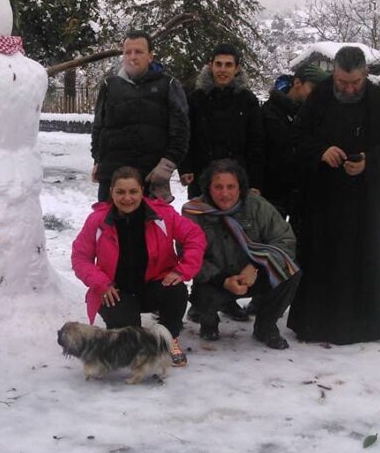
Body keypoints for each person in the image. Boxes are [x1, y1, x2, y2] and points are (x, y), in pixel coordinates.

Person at [287, 46, 380, 345]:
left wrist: (369, 161)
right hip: (324, 196)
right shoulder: (320, 96)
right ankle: (316, 324)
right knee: (321, 258)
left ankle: (363, 325)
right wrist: (321, 152)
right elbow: (298, 137)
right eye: (342, 82)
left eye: (354, 83)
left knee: (364, 259)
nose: (348, 89)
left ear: (365, 74)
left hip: (366, 197)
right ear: (334, 74)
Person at [71, 166, 206, 366]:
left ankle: (168, 339)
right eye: (120, 192)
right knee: (129, 337)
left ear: (142, 191)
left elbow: (195, 236)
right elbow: (80, 258)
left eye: (133, 191)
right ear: (111, 192)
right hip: (116, 291)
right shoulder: (97, 221)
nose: (127, 198)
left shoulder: (162, 215)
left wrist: (182, 270)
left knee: (176, 291)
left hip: (153, 285)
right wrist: (101, 283)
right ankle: (134, 342)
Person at [183, 159, 299, 349]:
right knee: (203, 295)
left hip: (253, 274)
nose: (225, 193)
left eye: (231, 186)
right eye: (218, 187)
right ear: (208, 188)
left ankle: (265, 326)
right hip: (215, 279)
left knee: (290, 272)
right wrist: (222, 280)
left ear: (241, 187)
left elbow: (285, 240)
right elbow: (189, 257)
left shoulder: (258, 206)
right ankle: (208, 322)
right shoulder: (193, 212)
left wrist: (256, 266)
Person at [90, 30, 189, 203]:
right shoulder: (109, 85)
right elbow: (98, 126)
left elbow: (181, 130)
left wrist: (167, 165)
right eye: (128, 52)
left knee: (150, 229)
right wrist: (97, 159)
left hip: (151, 177)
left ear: (150, 56)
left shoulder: (168, 84)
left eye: (139, 52)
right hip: (112, 177)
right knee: (110, 228)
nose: (132, 57)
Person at [180, 43, 264, 199]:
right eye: (218, 64)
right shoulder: (196, 99)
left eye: (228, 65)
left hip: (237, 178)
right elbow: (186, 136)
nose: (223, 70)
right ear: (211, 66)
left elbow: (256, 143)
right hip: (202, 176)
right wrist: (185, 168)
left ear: (237, 69)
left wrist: (255, 183)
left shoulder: (247, 100)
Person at [261, 64, 329, 219]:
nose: (316, 95)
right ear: (298, 83)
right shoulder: (269, 114)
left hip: (303, 195)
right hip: (273, 194)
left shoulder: (313, 116)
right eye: (313, 88)